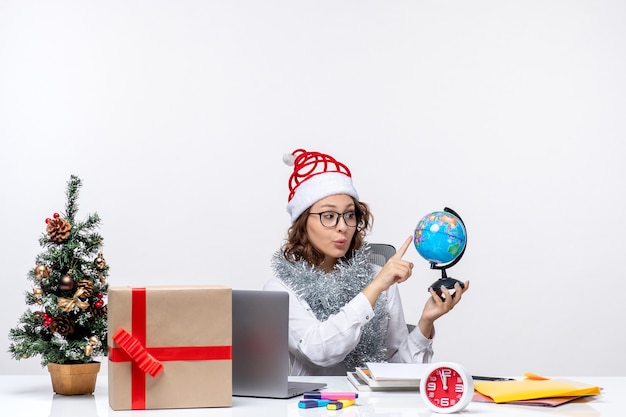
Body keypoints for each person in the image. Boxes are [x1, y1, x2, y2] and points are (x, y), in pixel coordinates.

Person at [264, 148, 470, 376]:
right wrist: (374, 288)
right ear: (303, 223)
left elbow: (396, 370)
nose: (343, 226)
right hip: (312, 408)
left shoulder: (377, 275)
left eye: (350, 215)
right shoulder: (280, 290)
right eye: (329, 216)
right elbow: (318, 351)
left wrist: (425, 322)